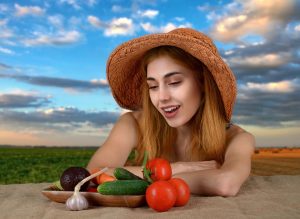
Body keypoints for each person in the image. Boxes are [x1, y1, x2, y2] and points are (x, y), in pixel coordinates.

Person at [87, 28, 255, 196]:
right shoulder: (132, 123)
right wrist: (176, 169)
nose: (162, 97)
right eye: (153, 86)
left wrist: (146, 178)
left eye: (174, 82)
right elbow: (94, 174)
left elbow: (224, 183)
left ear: (203, 83)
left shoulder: (238, 138)